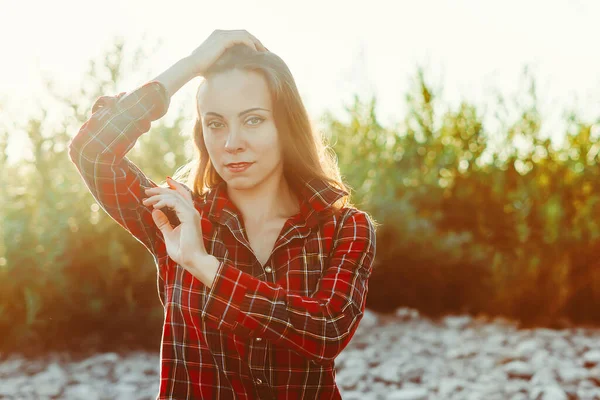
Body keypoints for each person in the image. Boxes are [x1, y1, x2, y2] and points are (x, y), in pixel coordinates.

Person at [68, 29, 376, 400]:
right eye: (216, 123)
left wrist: (203, 265)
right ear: (202, 133)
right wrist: (191, 65)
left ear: (285, 126)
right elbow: (92, 150)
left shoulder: (346, 227)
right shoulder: (176, 217)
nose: (232, 143)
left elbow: (325, 332)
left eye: (253, 120)